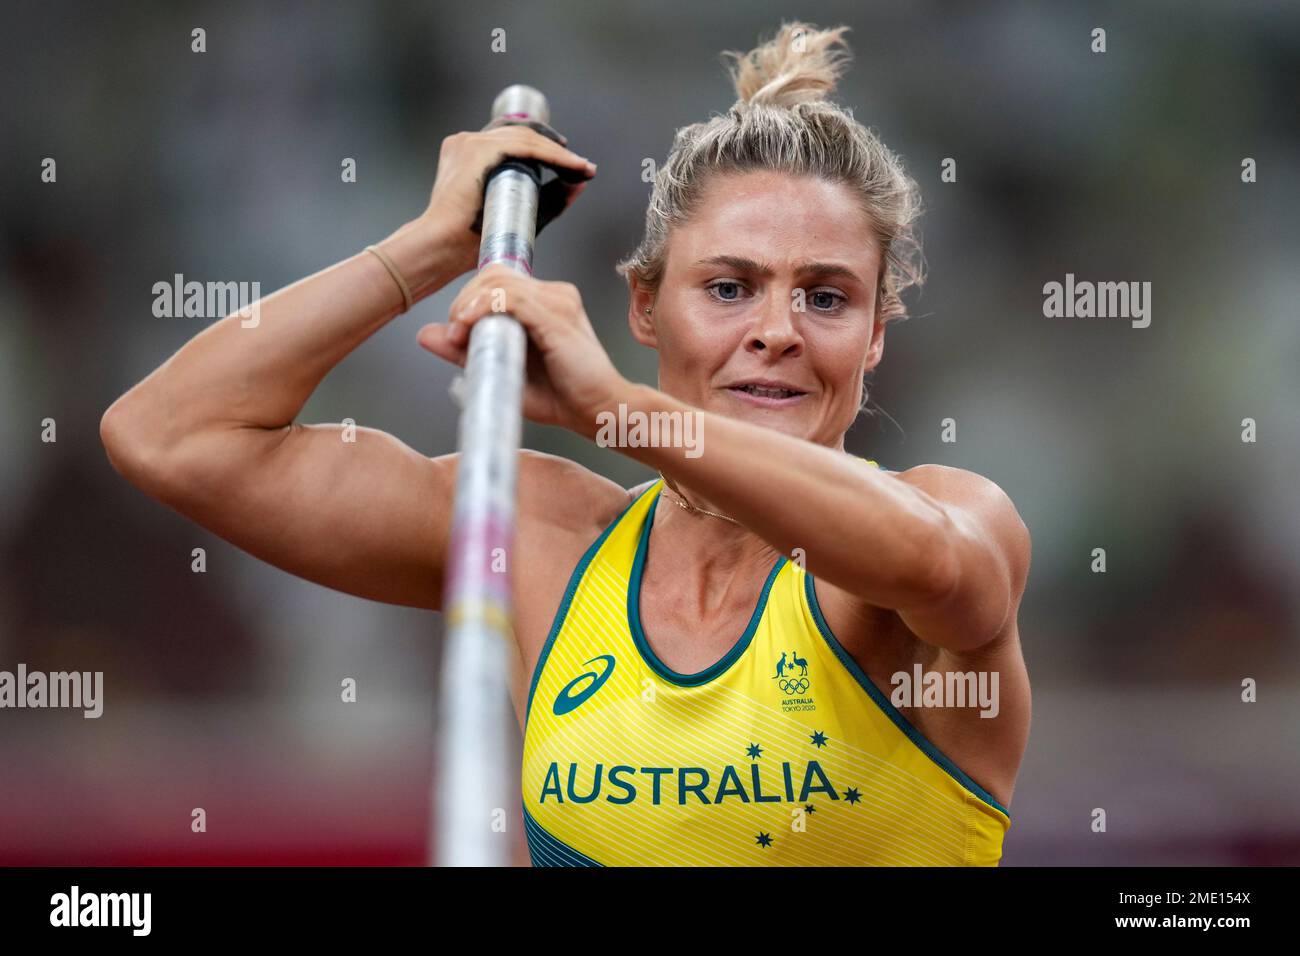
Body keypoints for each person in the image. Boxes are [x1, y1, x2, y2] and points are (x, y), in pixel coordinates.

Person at [101, 20, 1030, 866]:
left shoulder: (952, 520)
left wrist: (623, 414)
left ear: (874, 335)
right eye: (729, 287)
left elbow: (937, 567)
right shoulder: (545, 541)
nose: (779, 330)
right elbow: (171, 436)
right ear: (643, 308)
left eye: (826, 297)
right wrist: (432, 247)